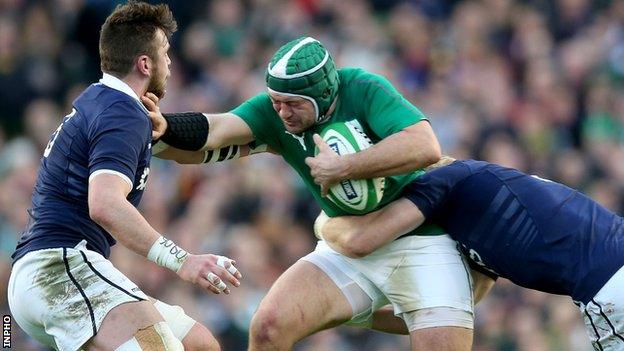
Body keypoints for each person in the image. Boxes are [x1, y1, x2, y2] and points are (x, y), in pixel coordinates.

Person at [145, 36, 476, 350]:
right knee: (268, 327)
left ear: (324, 93)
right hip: (349, 245)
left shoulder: (362, 88)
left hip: (423, 240)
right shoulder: (274, 113)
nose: (282, 112)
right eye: (276, 102)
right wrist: (166, 126)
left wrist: (345, 167)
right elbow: (218, 129)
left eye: (292, 104)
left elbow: (425, 145)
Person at [7, 2, 242, 351]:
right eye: (164, 52)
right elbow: (104, 203)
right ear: (144, 63)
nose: (170, 62)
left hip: (53, 275)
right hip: (60, 270)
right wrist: (183, 261)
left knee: (199, 344)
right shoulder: (122, 111)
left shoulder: (100, 100)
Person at [315, 157, 624, 351]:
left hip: (607, 285)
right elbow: (468, 302)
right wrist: (365, 319)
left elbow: (363, 240)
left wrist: (326, 220)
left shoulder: (443, 181)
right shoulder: (477, 205)